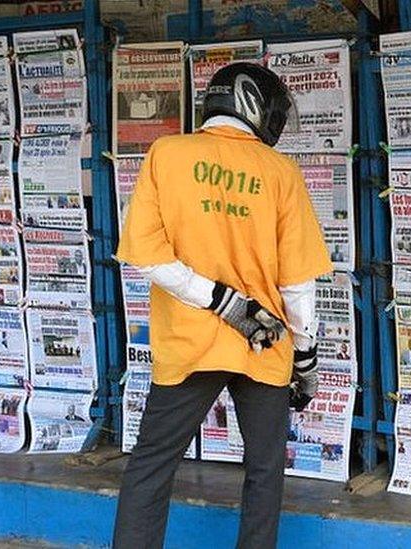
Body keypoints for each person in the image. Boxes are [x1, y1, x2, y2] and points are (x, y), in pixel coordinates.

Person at [112, 63, 333, 549]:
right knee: (264, 471)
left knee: (151, 466)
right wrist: (306, 355)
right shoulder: (280, 172)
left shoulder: (166, 155)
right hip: (266, 344)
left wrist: (218, 300)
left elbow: (147, 258)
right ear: (256, 106)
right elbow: (297, 283)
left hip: (189, 346)